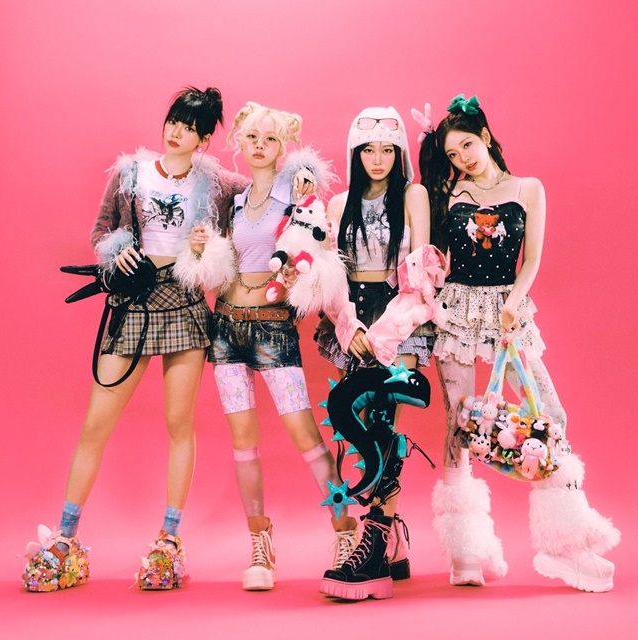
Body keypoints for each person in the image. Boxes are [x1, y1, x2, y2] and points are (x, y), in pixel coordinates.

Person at [21, 86, 257, 592]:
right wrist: (115, 250)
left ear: (203, 139)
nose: (176, 132)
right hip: (133, 303)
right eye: (173, 121)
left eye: (189, 127)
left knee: (179, 424)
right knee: (95, 425)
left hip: (184, 303)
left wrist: (214, 241)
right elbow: (100, 230)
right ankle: (65, 539)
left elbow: (263, 187)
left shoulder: (216, 181)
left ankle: (168, 541)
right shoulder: (131, 173)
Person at [417, 94, 620, 592]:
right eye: (452, 154)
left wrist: (514, 301)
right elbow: (438, 257)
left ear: (485, 137)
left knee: (550, 415)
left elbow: (531, 259)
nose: (462, 158)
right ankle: (466, 552)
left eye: (467, 146)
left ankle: (565, 544)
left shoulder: (528, 188)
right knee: (459, 423)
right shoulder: (450, 193)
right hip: (458, 311)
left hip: (508, 309)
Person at [189, 102, 357, 592]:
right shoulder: (238, 199)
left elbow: (314, 235)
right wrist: (201, 250)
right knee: (243, 442)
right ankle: (260, 546)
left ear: (283, 145)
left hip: (273, 329)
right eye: (252, 138)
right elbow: (225, 260)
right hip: (226, 328)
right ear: (239, 142)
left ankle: (346, 533)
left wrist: (301, 275)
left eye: (270, 139)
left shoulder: (294, 189)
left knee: (306, 436)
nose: (260, 146)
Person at [315, 107, 444, 600]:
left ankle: (374, 545)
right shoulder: (338, 203)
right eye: (368, 149)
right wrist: (350, 326)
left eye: (387, 149)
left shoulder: (412, 195)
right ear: (355, 152)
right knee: (363, 422)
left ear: (399, 152)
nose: (377, 159)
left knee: (384, 422)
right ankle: (391, 543)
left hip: (401, 314)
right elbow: (330, 278)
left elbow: (421, 272)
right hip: (355, 318)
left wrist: (386, 331)